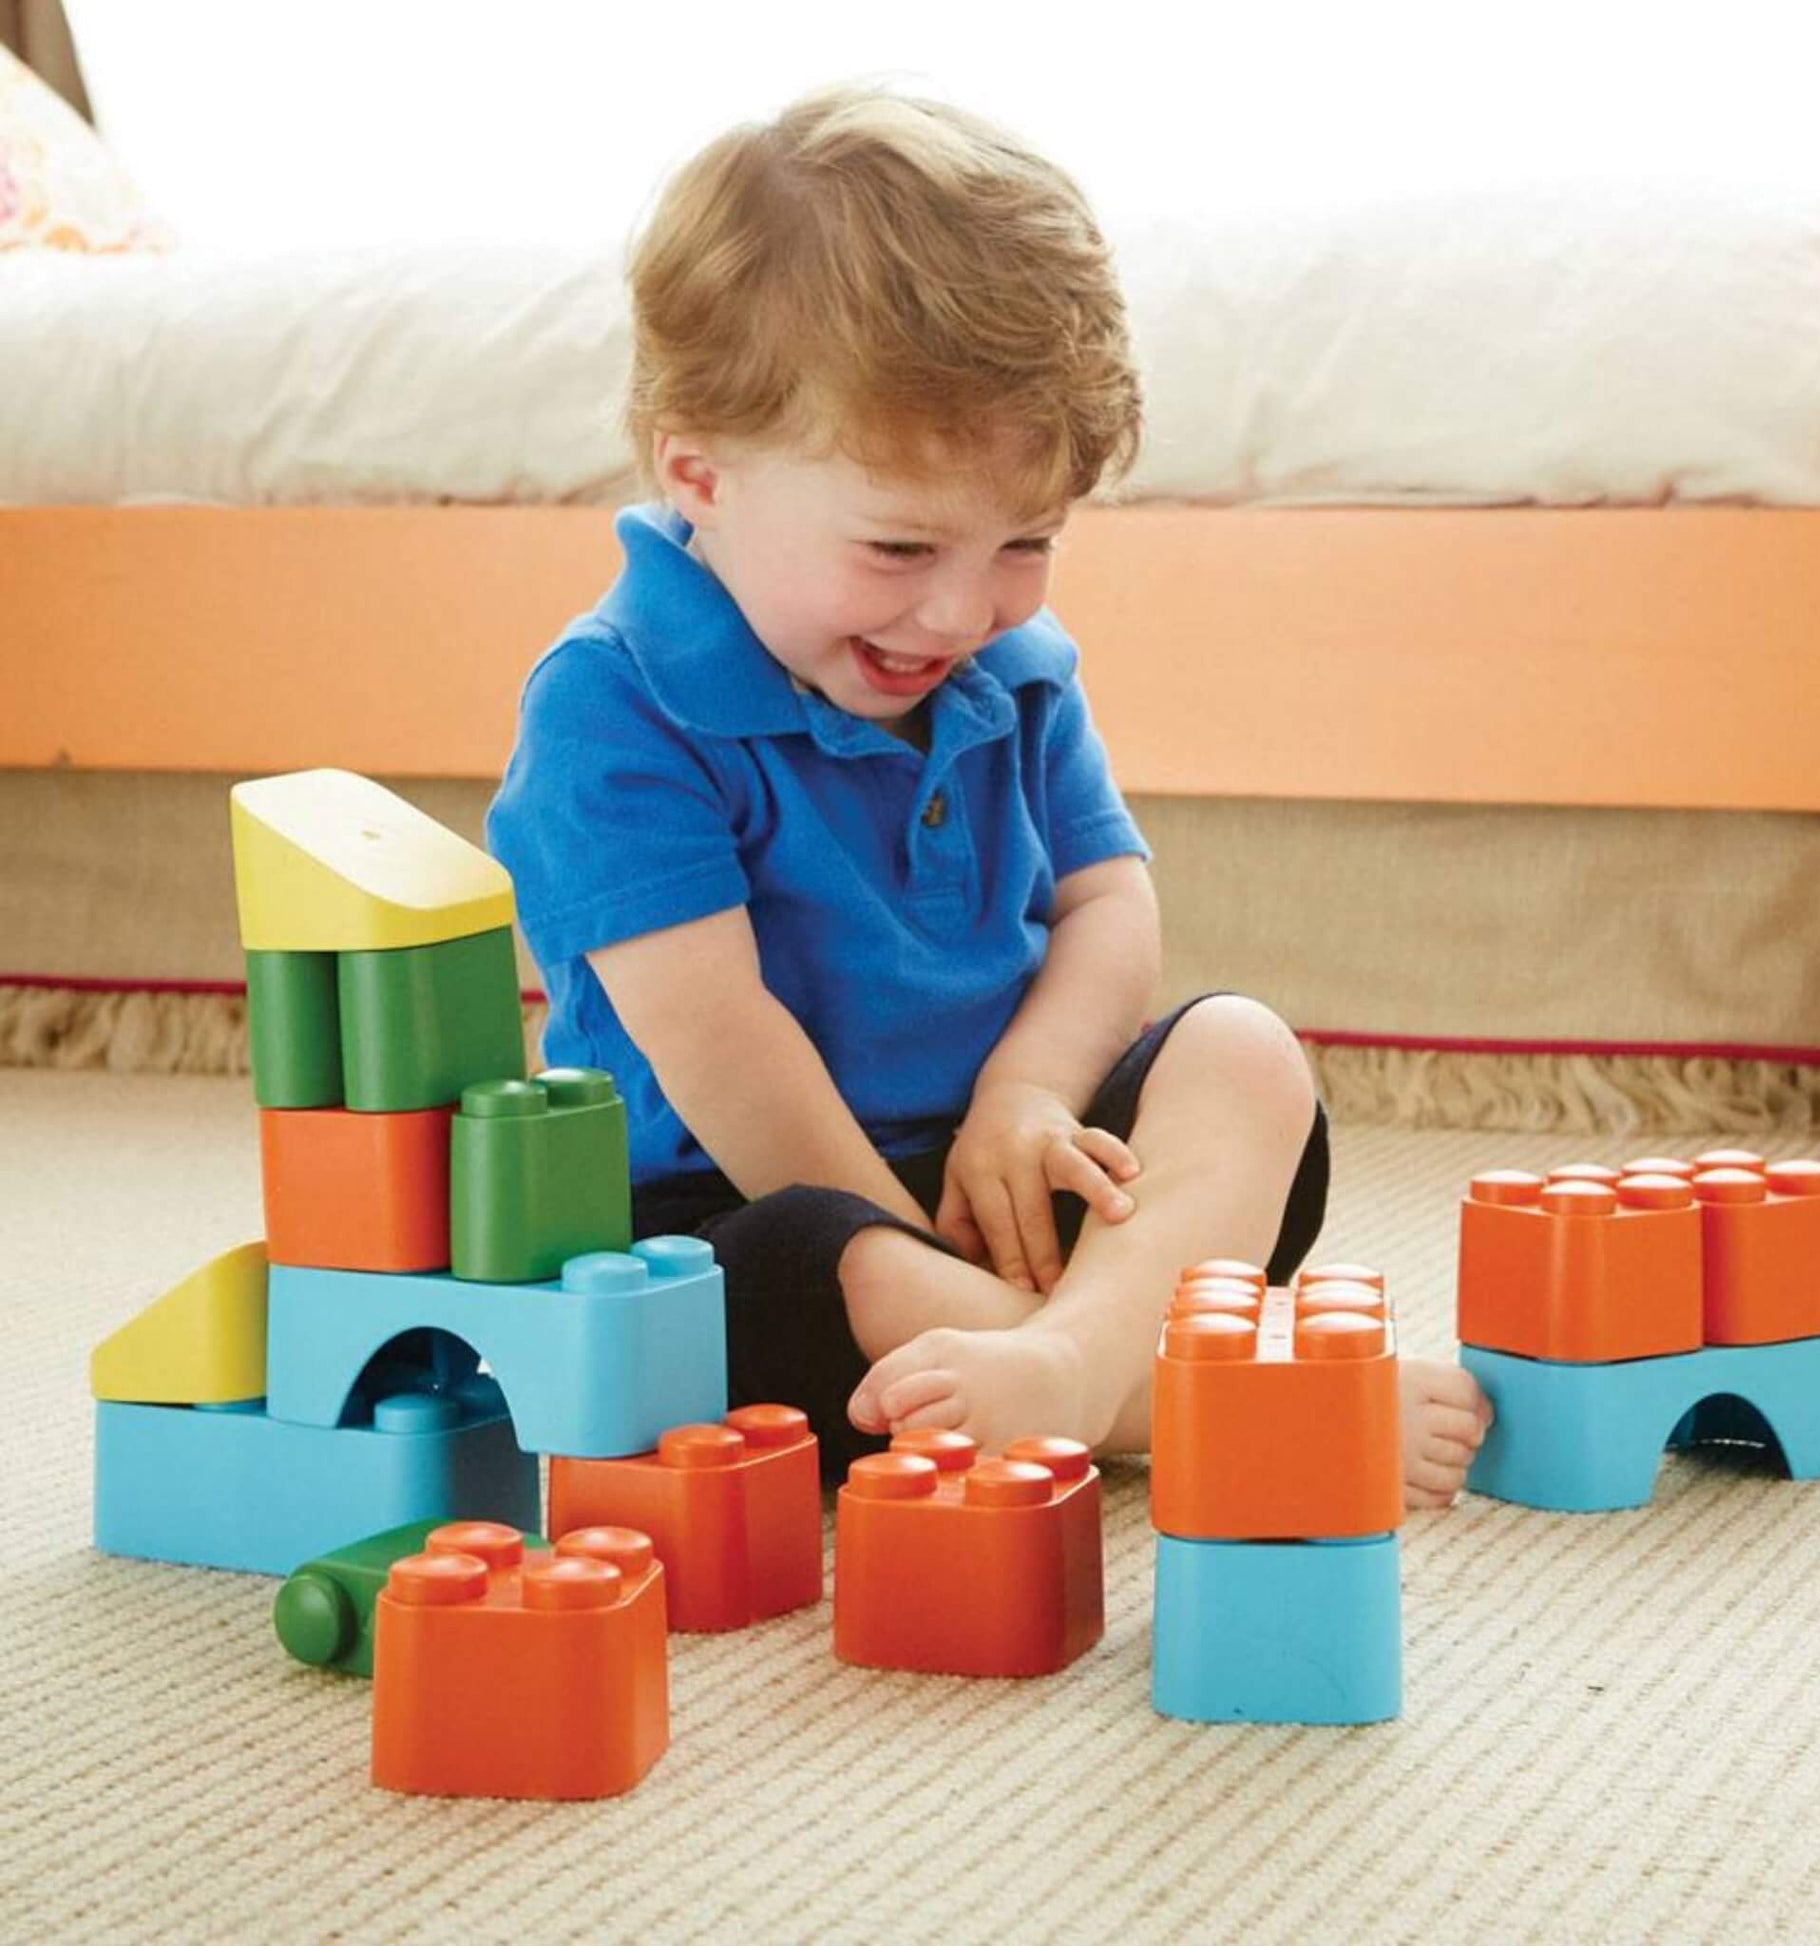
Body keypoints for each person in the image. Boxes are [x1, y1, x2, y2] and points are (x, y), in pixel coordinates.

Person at [487, 83, 1490, 1498]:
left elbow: (1104, 902)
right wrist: (914, 1237)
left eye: (1025, 539)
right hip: (751, 1202)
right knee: (801, 1267)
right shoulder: (613, 703)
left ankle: (1069, 1367)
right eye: (899, 548)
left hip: (1013, 1174)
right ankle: (1209, 1400)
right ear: (699, 472)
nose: (962, 608)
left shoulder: (1005, 665)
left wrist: (1028, 1091)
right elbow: (724, 1047)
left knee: (1247, 1060)